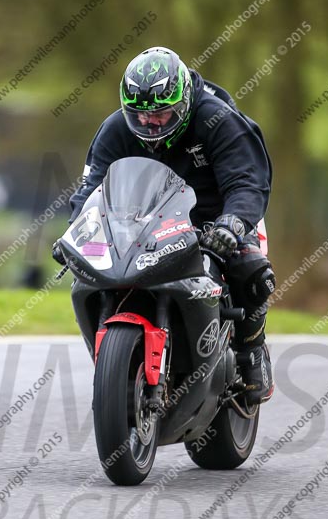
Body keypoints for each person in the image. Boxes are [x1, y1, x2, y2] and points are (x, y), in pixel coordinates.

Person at [53, 46, 276, 404]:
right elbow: (90, 188)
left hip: (216, 219)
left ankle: (252, 350)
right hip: (142, 222)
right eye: (139, 115)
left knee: (251, 269)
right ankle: (119, 364)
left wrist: (232, 225)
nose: (149, 123)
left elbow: (248, 183)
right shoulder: (115, 130)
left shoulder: (218, 121)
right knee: (88, 275)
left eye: (161, 113)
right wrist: (76, 229)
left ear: (184, 102)